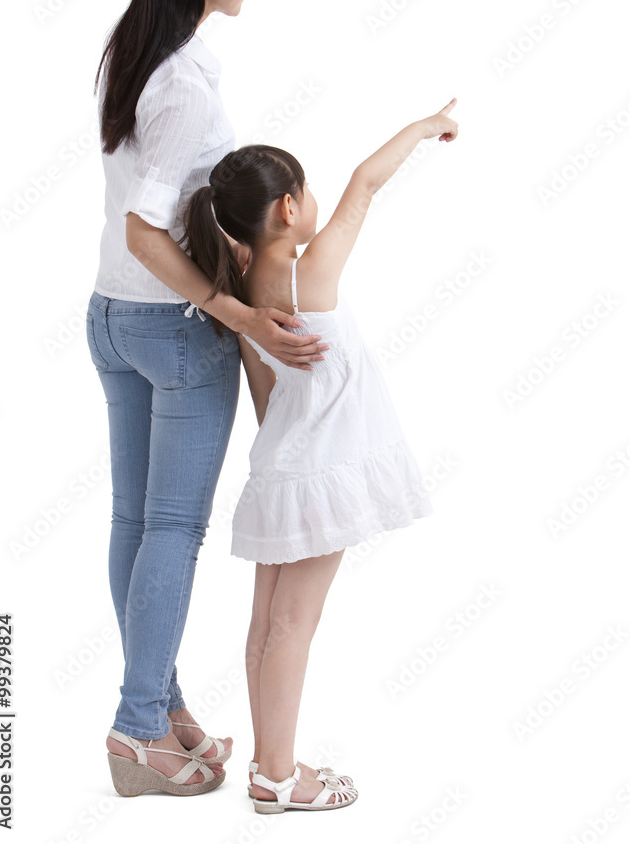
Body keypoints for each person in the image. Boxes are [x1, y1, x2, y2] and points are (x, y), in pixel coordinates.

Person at [87, 0, 331, 799]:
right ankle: (138, 729)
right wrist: (230, 311)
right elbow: (151, 228)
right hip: (176, 325)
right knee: (173, 530)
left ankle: (160, 705)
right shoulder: (184, 82)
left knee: (136, 526)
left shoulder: (131, 46)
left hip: (110, 316)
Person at [178, 97, 459, 812]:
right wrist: (425, 127)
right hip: (323, 473)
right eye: (303, 191)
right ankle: (278, 778)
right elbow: (366, 182)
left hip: (280, 467)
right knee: (293, 626)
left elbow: (262, 390)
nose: (313, 201)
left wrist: (281, 451)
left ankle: (271, 764)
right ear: (285, 211)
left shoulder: (242, 288)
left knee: (267, 625)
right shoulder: (309, 277)